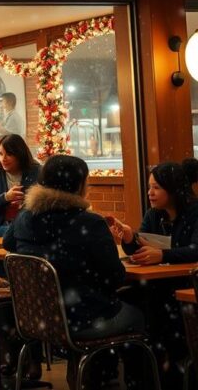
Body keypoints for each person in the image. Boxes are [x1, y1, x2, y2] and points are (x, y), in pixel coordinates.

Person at [4, 155, 145, 388]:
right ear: (80, 184)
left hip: (40, 318)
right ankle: (129, 382)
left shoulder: (25, 218)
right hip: (83, 319)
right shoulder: (88, 223)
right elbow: (115, 277)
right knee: (141, 311)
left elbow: (9, 243)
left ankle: (95, 374)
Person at [112, 162, 198, 386]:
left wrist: (164, 255)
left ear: (174, 188)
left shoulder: (195, 213)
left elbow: (195, 249)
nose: (150, 192)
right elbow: (142, 246)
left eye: (157, 187)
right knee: (127, 301)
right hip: (158, 285)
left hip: (185, 284)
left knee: (155, 310)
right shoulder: (154, 214)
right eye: (149, 187)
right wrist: (130, 238)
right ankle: (147, 372)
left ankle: (167, 370)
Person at [0, 134, 40, 236]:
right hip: (0, 227)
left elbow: (45, 203)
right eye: (1, 154)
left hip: (28, 226)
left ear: (20, 154)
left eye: (9, 154)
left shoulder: (37, 171)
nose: (3, 159)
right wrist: (5, 197)